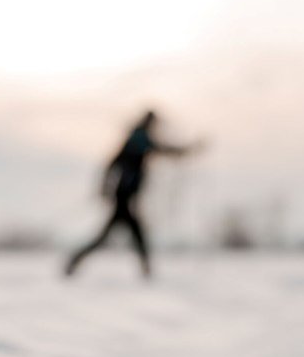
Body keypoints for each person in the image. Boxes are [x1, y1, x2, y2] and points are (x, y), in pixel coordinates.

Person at [64, 109, 203, 279]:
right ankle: (146, 271)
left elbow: (114, 163)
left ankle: (144, 270)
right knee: (124, 236)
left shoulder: (136, 139)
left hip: (125, 198)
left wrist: (105, 187)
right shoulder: (139, 139)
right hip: (124, 198)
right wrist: (188, 150)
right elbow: (161, 150)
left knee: (123, 236)